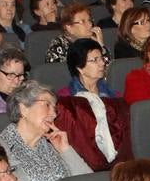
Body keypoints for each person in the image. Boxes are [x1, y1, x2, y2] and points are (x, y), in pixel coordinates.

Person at [0, 81, 92, 181]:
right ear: (23, 109)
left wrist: (66, 150)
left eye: (55, 109)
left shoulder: (53, 145)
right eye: (47, 105)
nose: (54, 114)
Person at [53, 37, 126, 171]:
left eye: (101, 58)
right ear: (79, 68)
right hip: (83, 160)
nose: (102, 63)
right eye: (94, 60)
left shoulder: (113, 96)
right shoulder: (65, 99)